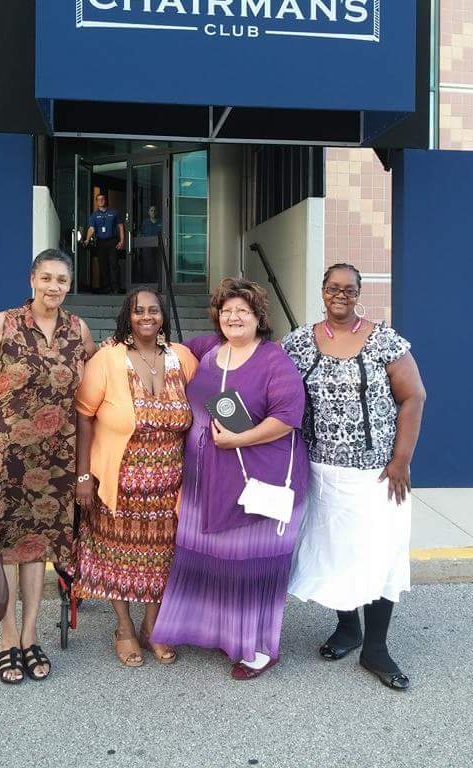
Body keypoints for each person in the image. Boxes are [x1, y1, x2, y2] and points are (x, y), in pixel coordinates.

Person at [151, 277, 308, 680]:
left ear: (258, 317)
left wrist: (241, 437)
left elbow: (287, 418)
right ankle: (210, 632)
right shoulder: (206, 350)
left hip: (260, 477)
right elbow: (155, 346)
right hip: (206, 480)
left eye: (242, 310)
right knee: (206, 556)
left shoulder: (274, 360)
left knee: (248, 564)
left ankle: (257, 647)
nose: (233, 317)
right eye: (226, 311)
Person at [282, 263, 426, 691]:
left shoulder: (384, 340)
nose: (340, 294)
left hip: (378, 473)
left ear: (359, 293)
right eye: (333, 287)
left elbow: (414, 396)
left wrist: (401, 460)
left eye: (349, 288)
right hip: (321, 472)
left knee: (379, 553)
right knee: (335, 552)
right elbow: (272, 389)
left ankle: (376, 648)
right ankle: (348, 628)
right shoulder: (299, 343)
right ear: (322, 291)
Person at [0, 249, 96, 684]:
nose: (54, 287)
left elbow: (94, 388)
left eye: (62, 280)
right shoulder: (4, 323)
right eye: (47, 278)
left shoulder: (79, 331)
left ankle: (31, 634)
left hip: (55, 460)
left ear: (69, 286)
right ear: (32, 279)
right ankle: (8, 638)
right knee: (6, 551)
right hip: (3, 457)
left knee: (39, 552)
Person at [73, 287, 198, 667]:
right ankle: (124, 627)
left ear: (162, 316)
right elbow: (83, 414)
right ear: (128, 315)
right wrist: (83, 476)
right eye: (138, 310)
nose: (147, 316)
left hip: (170, 484)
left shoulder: (183, 358)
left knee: (162, 558)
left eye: (154, 310)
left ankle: (152, 626)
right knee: (118, 555)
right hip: (119, 480)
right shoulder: (108, 359)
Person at [83, 193, 124, 294]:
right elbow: (91, 229)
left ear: (106, 201)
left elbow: (121, 227)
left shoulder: (114, 212)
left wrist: (122, 241)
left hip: (112, 241)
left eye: (102, 199)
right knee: (103, 265)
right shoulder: (94, 215)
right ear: (96, 202)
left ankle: (116, 288)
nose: (101, 201)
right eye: (98, 200)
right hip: (101, 242)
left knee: (114, 264)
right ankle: (107, 287)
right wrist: (87, 240)